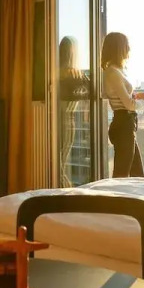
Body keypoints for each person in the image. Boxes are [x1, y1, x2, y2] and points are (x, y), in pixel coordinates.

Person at [101, 32, 144, 178]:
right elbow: (129, 105)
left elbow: (122, 98)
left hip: (127, 124)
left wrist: (132, 96)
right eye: (126, 45)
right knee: (122, 174)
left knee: (136, 173)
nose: (129, 49)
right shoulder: (113, 72)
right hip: (123, 125)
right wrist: (142, 100)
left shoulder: (117, 71)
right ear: (119, 48)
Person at [58, 36, 90, 187]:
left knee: (56, 161)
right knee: (60, 163)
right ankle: (68, 192)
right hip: (67, 121)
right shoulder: (77, 75)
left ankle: (63, 191)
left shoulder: (54, 73)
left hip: (52, 120)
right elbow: (93, 90)